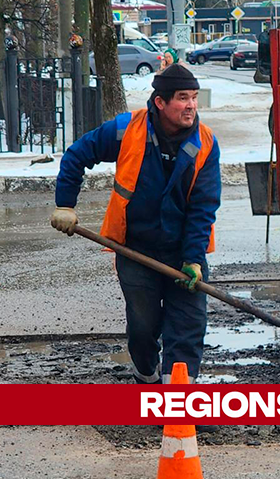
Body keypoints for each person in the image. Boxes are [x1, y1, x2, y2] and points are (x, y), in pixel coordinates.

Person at [50, 64, 221, 383]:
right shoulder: (126, 129)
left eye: (194, 98)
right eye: (183, 98)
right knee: (143, 328)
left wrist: (194, 260)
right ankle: (147, 377)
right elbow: (76, 155)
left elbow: (203, 208)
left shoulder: (206, 144)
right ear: (160, 102)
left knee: (186, 328)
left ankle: (177, 404)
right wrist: (65, 205)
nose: (191, 106)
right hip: (135, 249)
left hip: (183, 252)